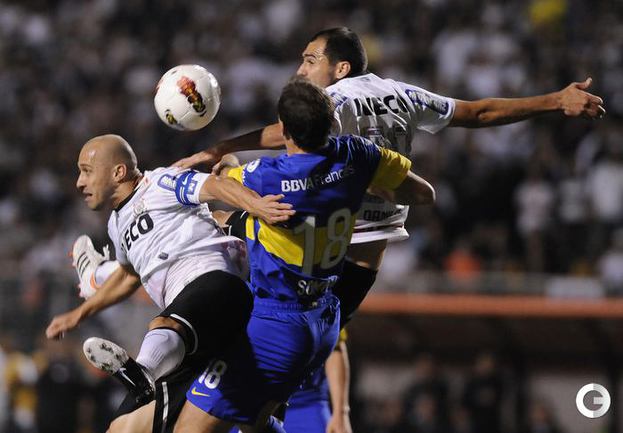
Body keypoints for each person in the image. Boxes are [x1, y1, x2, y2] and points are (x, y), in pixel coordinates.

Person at [174, 27, 606, 326]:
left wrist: (221, 148)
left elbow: (286, 131)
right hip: (367, 256)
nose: (301, 70)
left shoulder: (335, 100)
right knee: (312, 350)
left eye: (310, 60)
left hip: (314, 247)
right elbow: (478, 113)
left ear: (341, 69)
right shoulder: (403, 93)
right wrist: (555, 100)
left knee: (216, 234)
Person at [170, 77, 434, 433]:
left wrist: (224, 159)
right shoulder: (359, 154)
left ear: (285, 131)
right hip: (323, 318)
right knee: (254, 423)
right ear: (331, 122)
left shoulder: (270, 177)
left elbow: (222, 182)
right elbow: (423, 194)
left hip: (276, 324)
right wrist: (359, 184)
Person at [44, 134, 295, 433]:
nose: (79, 182)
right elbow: (128, 276)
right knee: (122, 429)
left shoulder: (161, 182)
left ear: (118, 172)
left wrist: (258, 206)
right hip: (190, 334)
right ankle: (140, 367)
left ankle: (141, 372)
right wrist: (79, 314)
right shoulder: (116, 225)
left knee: (165, 324)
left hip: (220, 288)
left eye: (86, 171)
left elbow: (215, 185)